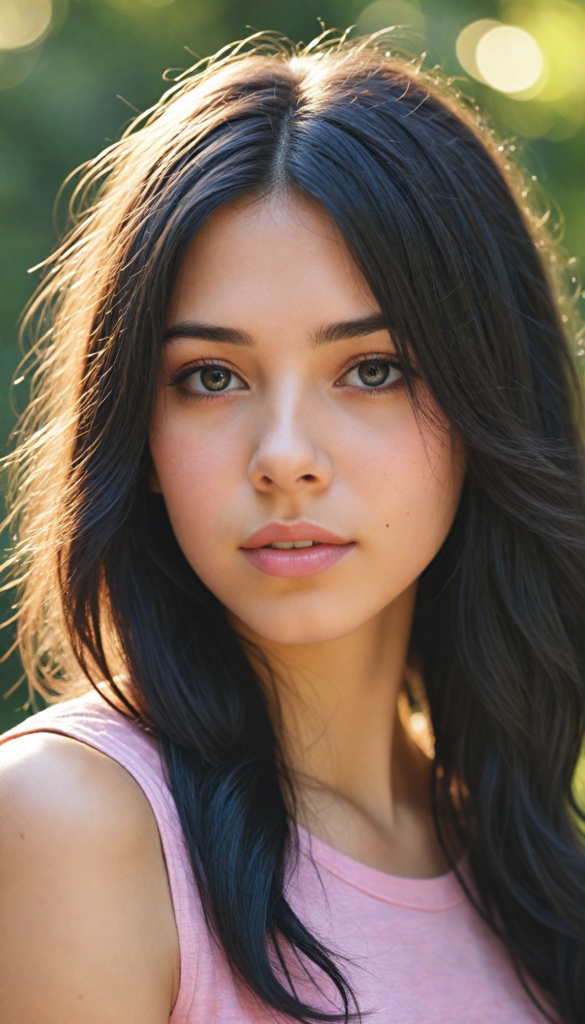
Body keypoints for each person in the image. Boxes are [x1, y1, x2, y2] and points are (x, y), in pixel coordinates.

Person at [0, 31, 583, 1024]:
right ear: (138, 430)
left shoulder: (520, 866)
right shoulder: (67, 824)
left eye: (371, 370)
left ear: (486, 400)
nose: (283, 456)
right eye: (210, 377)